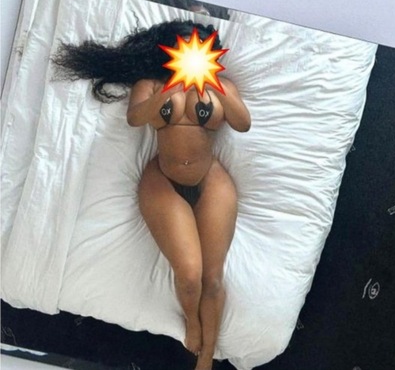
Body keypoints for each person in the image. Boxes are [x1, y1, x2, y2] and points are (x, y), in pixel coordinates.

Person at [52, 19, 251, 370]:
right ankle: (192, 321)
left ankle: (206, 356)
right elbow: (135, 118)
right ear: (172, 52)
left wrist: (214, 83)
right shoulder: (151, 84)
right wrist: (168, 89)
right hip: (162, 178)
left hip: (211, 178)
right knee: (189, 274)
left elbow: (242, 123)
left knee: (212, 278)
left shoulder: (223, 85)